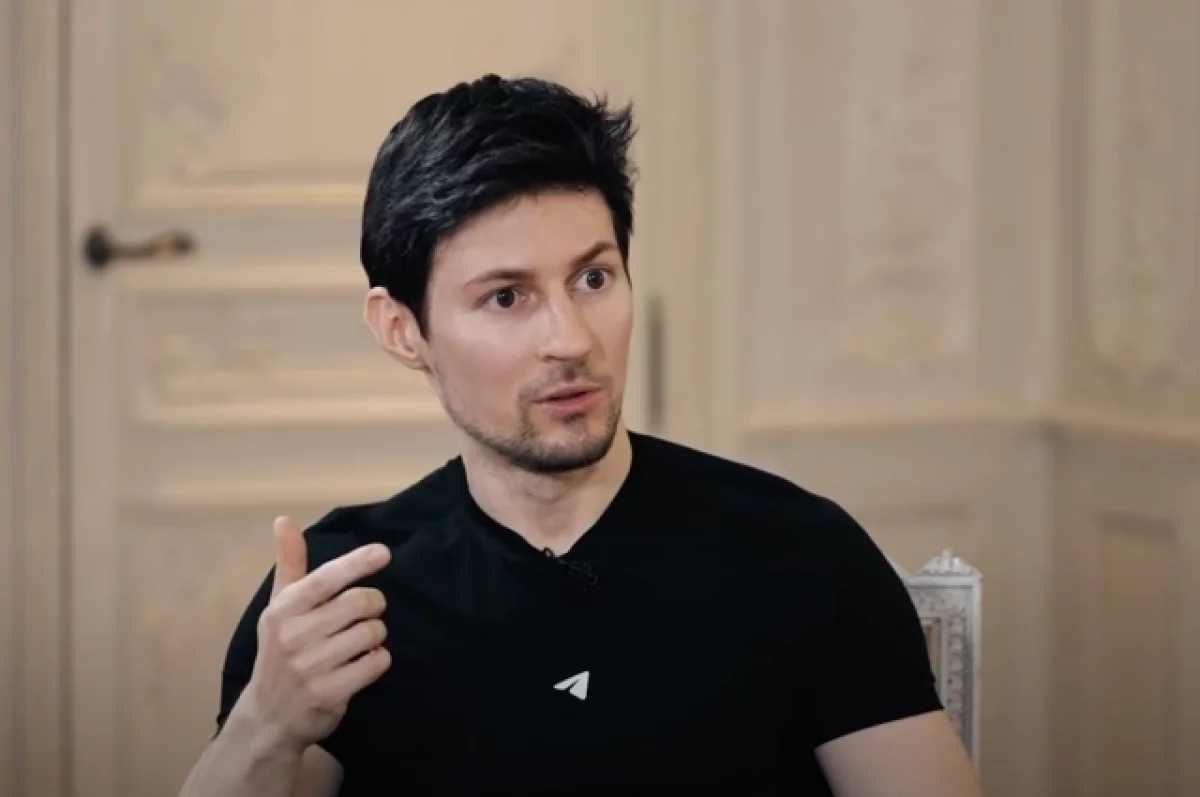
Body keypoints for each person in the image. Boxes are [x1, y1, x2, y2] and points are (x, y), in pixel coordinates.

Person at [179, 74, 983, 797]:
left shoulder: (799, 553)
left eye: (593, 278)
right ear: (402, 329)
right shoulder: (340, 595)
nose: (570, 337)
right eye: (506, 297)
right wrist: (265, 725)